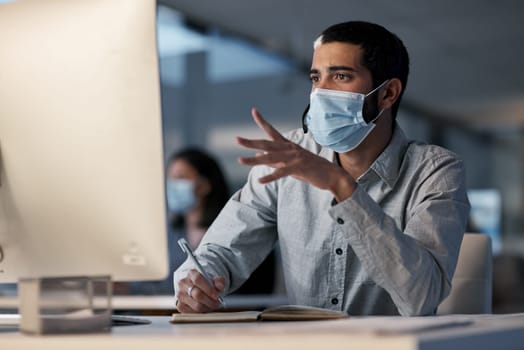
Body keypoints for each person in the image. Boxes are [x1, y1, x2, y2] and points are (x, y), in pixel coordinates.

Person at [174, 21, 470, 316]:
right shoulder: (290, 155)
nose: (320, 92)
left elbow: (421, 297)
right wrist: (195, 283)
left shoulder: (436, 171)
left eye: (341, 76)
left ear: (388, 93)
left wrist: (342, 189)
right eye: (316, 77)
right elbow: (224, 248)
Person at [128, 148, 275, 295]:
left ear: (204, 185)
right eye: (170, 178)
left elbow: (251, 290)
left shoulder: (238, 231)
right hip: (168, 315)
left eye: (180, 178)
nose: (172, 186)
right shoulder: (169, 234)